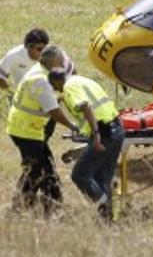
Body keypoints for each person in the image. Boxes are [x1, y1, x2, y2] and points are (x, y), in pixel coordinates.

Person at [6, 45, 79, 214]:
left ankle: (53, 205)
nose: (62, 65)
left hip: (31, 129)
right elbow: (53, 110)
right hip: (24, 130)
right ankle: (20, 206)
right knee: (35, 170)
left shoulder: (44, 72)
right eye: (60, 62)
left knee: (47, 167)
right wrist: (73, 126)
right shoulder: (40, 80)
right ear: (52, 62)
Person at [48, 68, 125, 221]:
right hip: (117, 129)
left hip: (103, 133)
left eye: (54, 86)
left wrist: (96, 134)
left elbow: (85, 106)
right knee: (103, 177)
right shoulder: (82, 80)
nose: (55, 89)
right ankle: (108, 220)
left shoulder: (69, 87)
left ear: (57, 81)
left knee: (80, 174)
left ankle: (103, 205)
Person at [0, 28, 50, 95]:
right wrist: (10, 94)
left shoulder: (51, 54)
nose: (43, 52)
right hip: (23, 96)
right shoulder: (14, 55)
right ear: (29, 47)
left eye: (45, 48)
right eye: (39, 49)